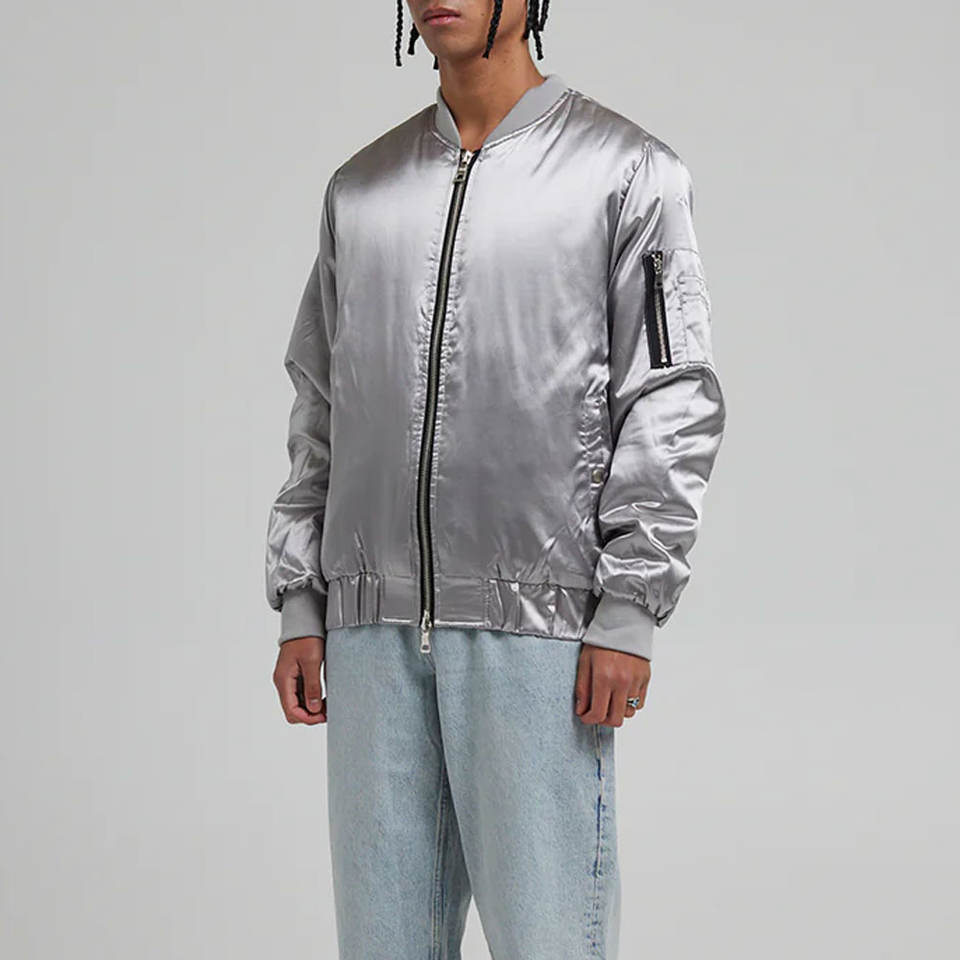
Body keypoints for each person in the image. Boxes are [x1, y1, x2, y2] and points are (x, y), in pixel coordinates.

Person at [264, 2, 726, 957]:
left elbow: (671, 397)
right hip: (370, 633)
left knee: (549, 942)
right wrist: (303, 599)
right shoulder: (362, 190)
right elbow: (321, 404)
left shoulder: (628, 173)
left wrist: (629, 606)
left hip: (540, 633)